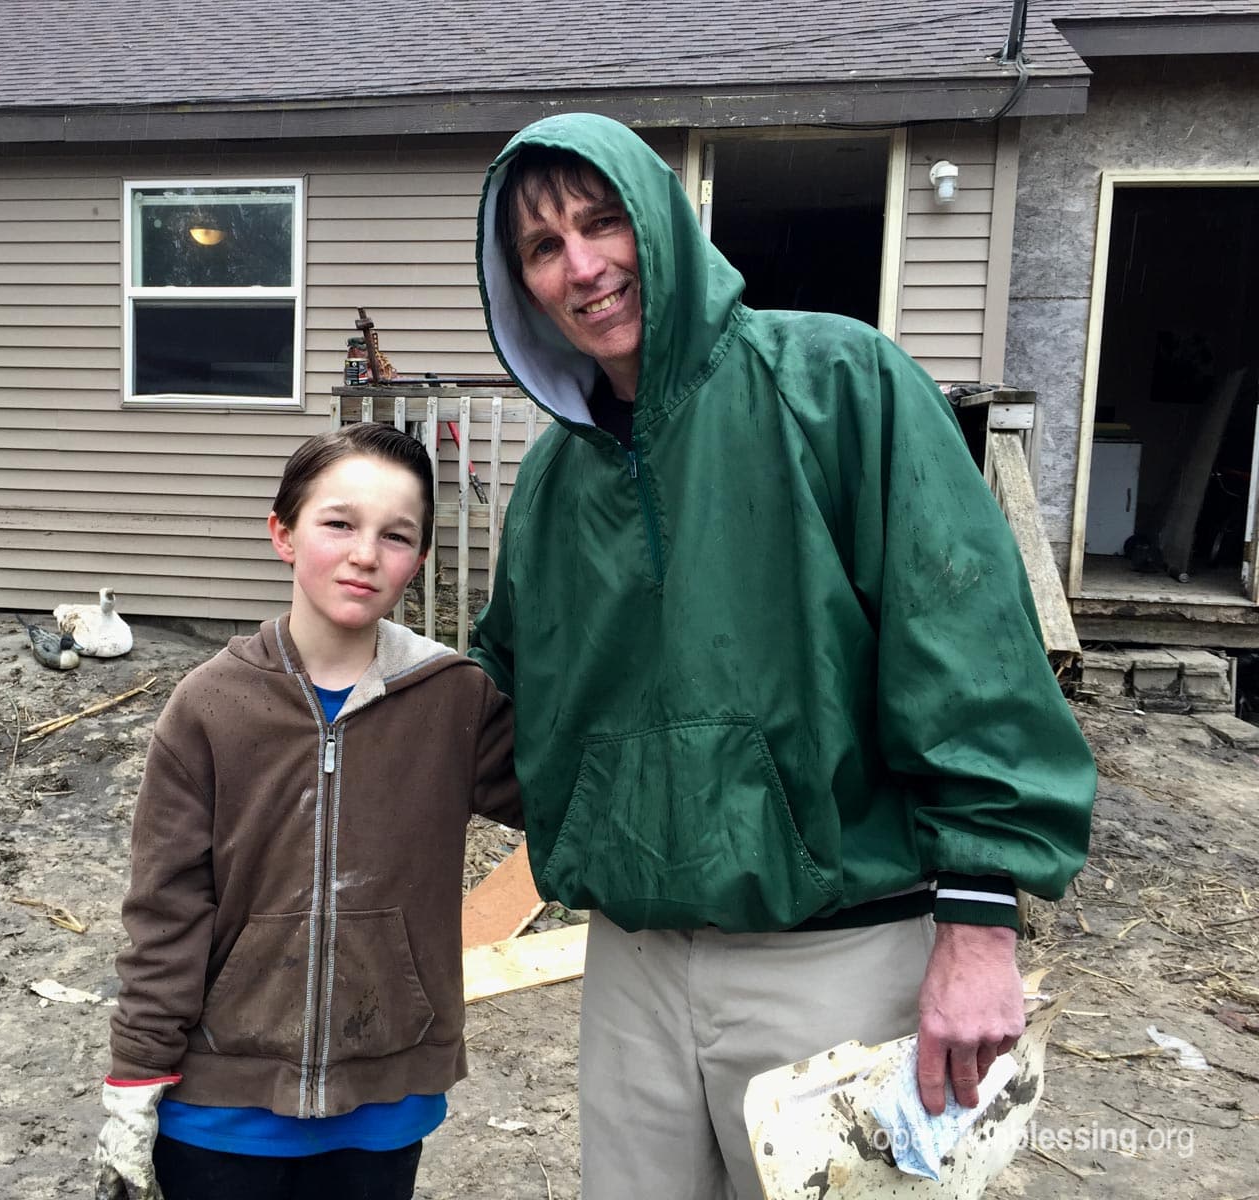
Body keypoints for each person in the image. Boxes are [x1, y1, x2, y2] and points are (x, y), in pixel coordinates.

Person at [468, 113, 1096, 1200]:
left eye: (602, 221)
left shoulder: (839, 382)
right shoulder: (552, 484)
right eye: (541, 247)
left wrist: (981, 925)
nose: (583, 266)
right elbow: (518, 707)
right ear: (517, 284)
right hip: (635, 961)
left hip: (838, 957)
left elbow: (967, 649)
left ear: (659, 221)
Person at [94, 421, 521, 1200]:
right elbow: (167, 904)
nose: (366, 553)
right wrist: (138, 1067)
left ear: (418, 560)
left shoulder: (454, 700)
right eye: (339, 523)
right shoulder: (210, 705)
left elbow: (568, 790)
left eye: (397, 535)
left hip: (384, 1099)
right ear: (283, 533)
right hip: (221, 1101)